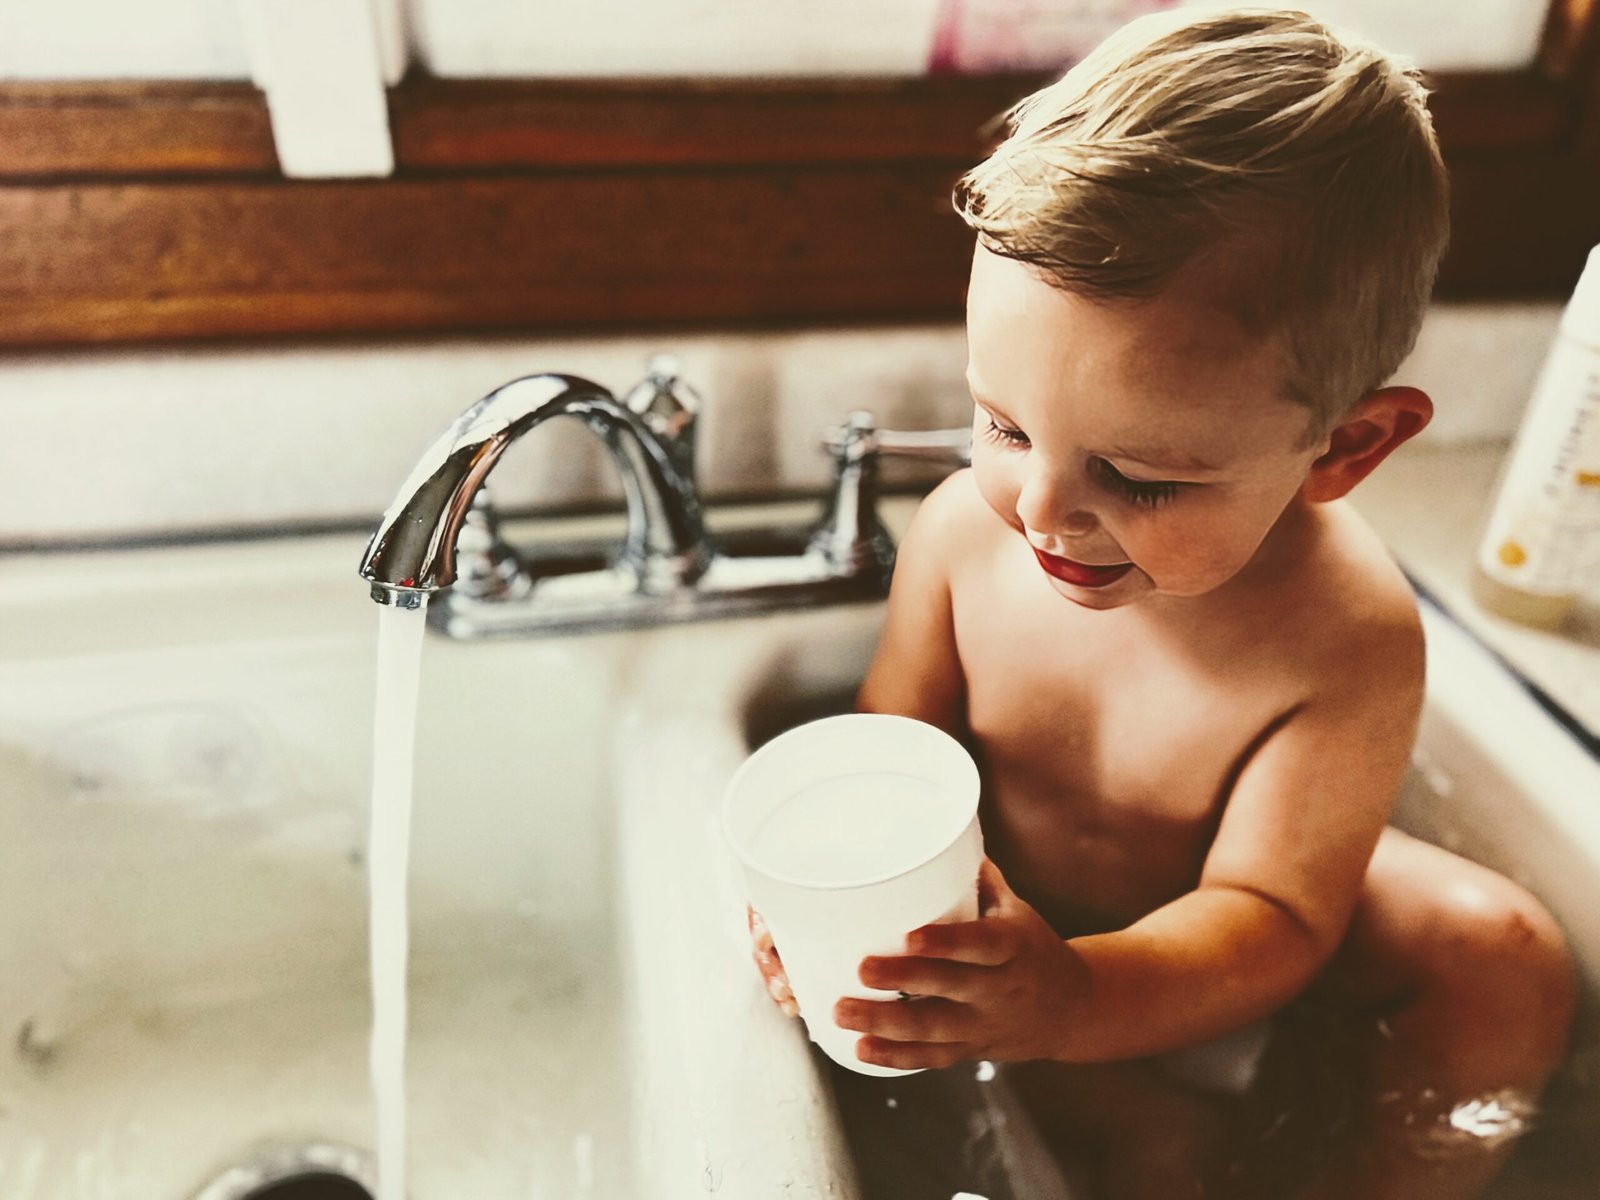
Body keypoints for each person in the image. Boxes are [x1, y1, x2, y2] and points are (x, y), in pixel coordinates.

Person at [747, 8, 1577, 1199]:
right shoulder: (961, 536)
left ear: (1345, 448)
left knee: (1494, 957)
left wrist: (1074, 998)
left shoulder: (1343, 637)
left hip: (1193, 970)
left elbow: (1274, 915)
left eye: (1138, 476)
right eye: (1004, 424)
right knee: (1155, 1155)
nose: (1040, 508)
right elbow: (891, 765)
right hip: (1008, 954)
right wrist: (822, 908)